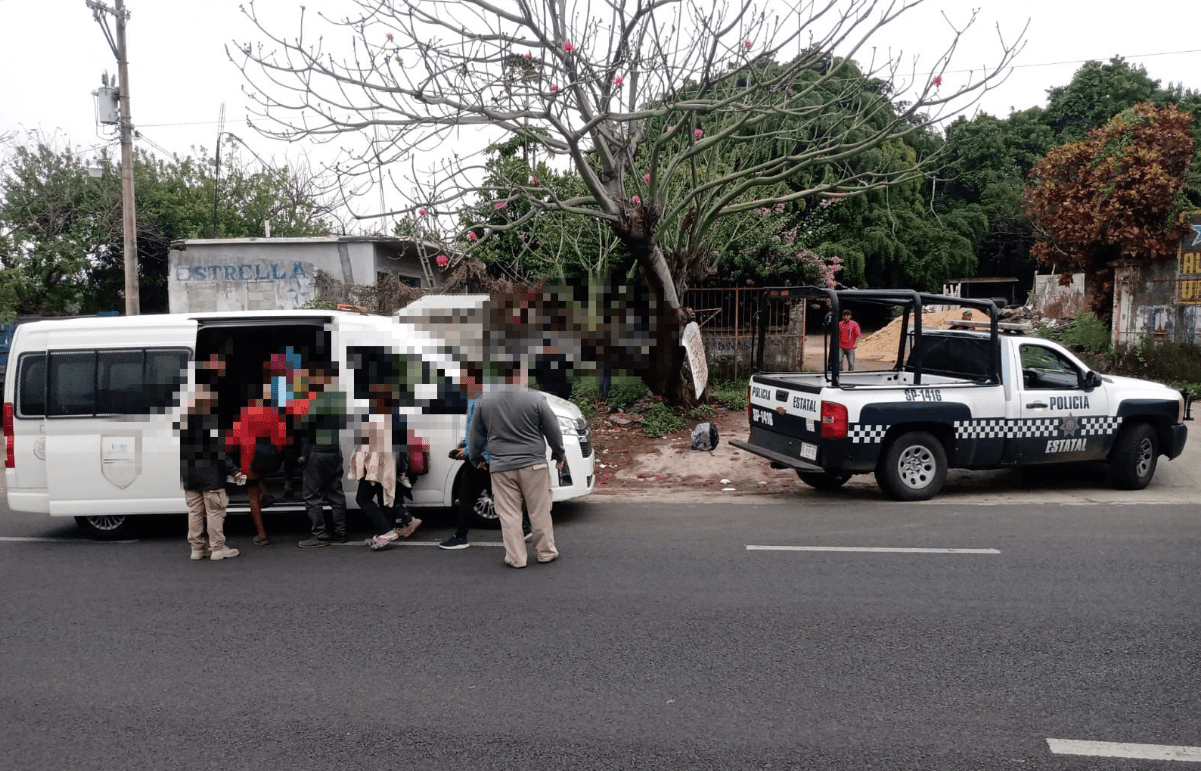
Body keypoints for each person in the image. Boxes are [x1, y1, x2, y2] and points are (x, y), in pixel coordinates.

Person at [469, 362, 565, 568]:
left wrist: (475, 458)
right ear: (521, 374)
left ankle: (516, 558)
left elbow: (476, 435)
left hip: (501, 466)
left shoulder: (484, 401)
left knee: (509, 514)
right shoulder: (536, 398)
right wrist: (559, 453)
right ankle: (546, 552)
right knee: (539, 510)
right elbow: (553, 429)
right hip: (533, 464)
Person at [439, 365, 531, 551]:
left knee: (468, 496)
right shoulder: (474, 397)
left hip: (484, 458)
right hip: (482, 456)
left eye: (462, 378)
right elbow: (473, 428)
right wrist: (464, 443)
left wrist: (468, 452)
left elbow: (489, 432)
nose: (459, 382)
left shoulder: (485, 400)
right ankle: (525, 526)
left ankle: (461, 536)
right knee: (495, 496)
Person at [180, 381, 242, 561]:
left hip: (190, 474)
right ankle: (217, 548)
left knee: (195, 512)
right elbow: (218, 451)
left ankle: (197, 549)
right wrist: (234, 470)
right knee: (215, 511)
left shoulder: (183, 421)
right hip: (210, 475)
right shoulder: (209, 421)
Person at [296, 362, 349, 548]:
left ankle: (319, 535)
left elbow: (304, 427)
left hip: (316, 451)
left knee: (312, 496)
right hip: (334, 449)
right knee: (335, 493)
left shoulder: (310, 400)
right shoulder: (337, 398)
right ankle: (341, 533)